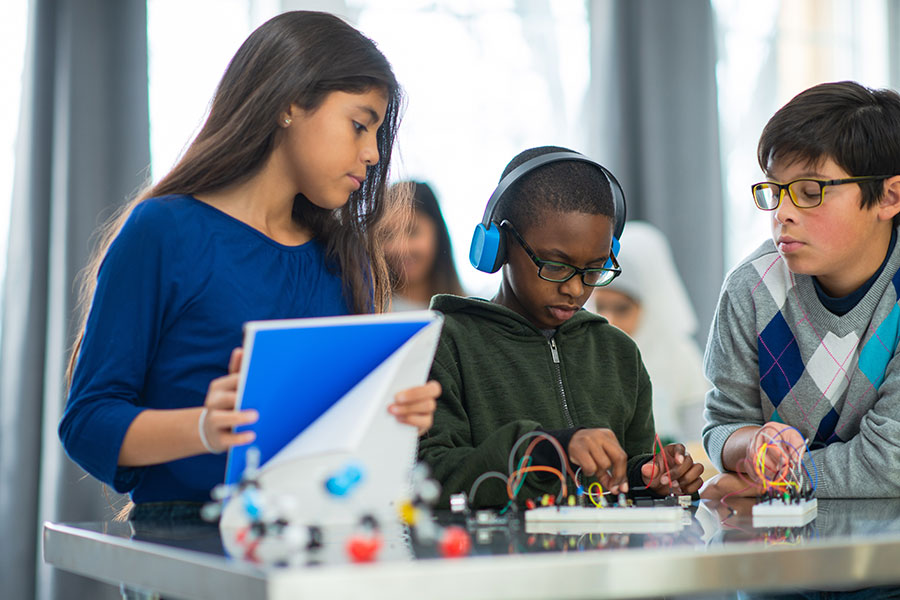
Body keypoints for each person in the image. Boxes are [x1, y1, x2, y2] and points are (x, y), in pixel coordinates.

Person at [58, 11, 440, 520]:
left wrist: (392, 419)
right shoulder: (164, 231)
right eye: (358, 125)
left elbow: (342, 452)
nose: (372, 154)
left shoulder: (344, 258)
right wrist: (203, 427)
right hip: (186, 549)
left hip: (319, 543)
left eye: (376, 136)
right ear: (289, 104)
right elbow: (87, 423)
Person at [418, 146, 704, 509]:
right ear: (499, 245)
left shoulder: (617, 352)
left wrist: (649, 477)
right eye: (555, 265)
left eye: (594, 269)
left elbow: (620, 480)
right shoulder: (448, 344)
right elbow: (432, 478)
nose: (575, 289)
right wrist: (550, 450)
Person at [702, 81, 900, 499]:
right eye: (775, 191)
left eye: (811, 192)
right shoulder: (750, 288)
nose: (783, 214)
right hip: (789, 542)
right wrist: (751, 448)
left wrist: (776, 482)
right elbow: (723, 425)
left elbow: (890, 461)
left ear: (889, 196)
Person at [591, 221, 708, 445]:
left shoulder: (681, 357)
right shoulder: (587, 352)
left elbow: (699, 440)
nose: (610, 320)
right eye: (601, 307)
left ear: (651, 305)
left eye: (622, 309)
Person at [384, 181, 464, 310]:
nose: (400, 249)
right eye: (387, 235)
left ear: (437, 233)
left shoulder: (469, 314)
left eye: (412, 232)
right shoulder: (366, 313)